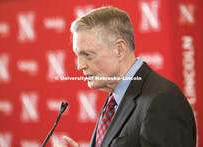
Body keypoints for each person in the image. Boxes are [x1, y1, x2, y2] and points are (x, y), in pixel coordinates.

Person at [55, 6, 196, 147]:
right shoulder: (114, 100)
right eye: (78, 55)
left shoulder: (163, 99)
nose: (80, 66)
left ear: (119, 49)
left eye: (88, 55)